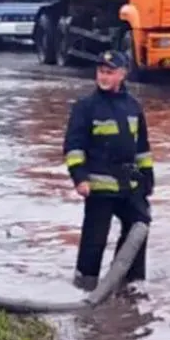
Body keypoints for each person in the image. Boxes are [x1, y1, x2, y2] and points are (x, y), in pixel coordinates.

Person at [63, 50, 154, 292]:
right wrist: (79, 179)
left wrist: (148, 179)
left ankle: (130, 283)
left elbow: (142, 147)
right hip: (99, 187)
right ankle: (85, 287)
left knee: (140, 225)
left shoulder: (133, 106)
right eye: (100, 71)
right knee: (94, 241)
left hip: (129, 185)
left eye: (109, 72)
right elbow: (73, 147)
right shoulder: (86, 107)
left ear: (122, 74)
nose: (103, 76)